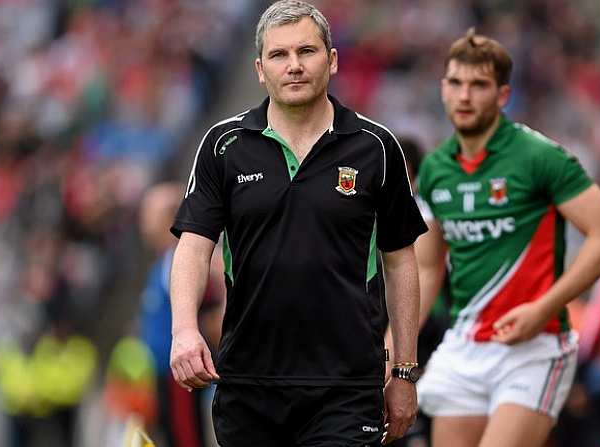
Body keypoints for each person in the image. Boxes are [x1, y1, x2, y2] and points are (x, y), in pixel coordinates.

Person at [168, 1, 428, 446]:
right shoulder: (223, 145)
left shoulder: (376, 148)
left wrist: (404, 370)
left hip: (346, 387)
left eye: (306, 52)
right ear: (259, 68)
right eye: (279, 55)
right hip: (248, 383)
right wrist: (184, 331)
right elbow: (194, 247)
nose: (293, 66)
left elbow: (402, 263)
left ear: (332, 60)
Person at [412, 28, 600, 447]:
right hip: (467, 346)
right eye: (456, 83)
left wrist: (543, 307)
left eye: (479, 85)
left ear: (504, 95)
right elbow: (425, 266)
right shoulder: (436, 169)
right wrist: (394, 346)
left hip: (535, 348)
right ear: (443, 89)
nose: (465, 96)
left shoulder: (539, 156)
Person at [137, 182, 224, 447]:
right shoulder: (163, 260)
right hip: (163, 373)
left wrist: (220, 317)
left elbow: (223, 274)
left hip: (181, 377)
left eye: (149, 214)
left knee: (186, 438)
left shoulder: (185, 258)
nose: (143, 222)